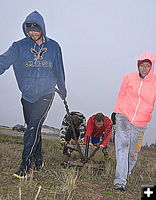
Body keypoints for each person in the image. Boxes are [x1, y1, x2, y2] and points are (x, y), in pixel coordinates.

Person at [0, 10, 67, 178]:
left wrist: (63, 89)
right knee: (34, 129)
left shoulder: (53, 47)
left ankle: (25, 166)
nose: (32, 33)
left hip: (46, 93)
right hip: (27, 94)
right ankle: (38, 160)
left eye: (36, 29)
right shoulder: (19, 46)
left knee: (32, 128)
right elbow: (4, 61)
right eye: (29, 30)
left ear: (42, 28)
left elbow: (59, 70)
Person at [112, 52, 156, 191]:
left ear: (151, 67)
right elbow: (121, 95)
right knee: (122, 146)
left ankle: (127, 172)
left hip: (141, 122)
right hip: (124, 115)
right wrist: (115, 111)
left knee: (133, 152)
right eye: (142, 65)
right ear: (138, 66)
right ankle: (120, 180)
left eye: (147, 66)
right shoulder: (128, 78)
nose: (144, 68)